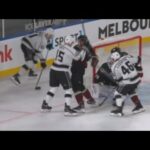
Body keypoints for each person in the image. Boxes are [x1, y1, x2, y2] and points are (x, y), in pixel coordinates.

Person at [41, 35, 86, 116]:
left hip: (53, 69)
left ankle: (44, 104)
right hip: (62, 71)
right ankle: (67, 109)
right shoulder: (71, 49)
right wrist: (82, 52)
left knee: (53, 88)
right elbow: (77, 58)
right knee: (68, 89)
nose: (73, 43)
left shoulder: (60, 46)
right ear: (71, 42)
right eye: (72, 42)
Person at [109, 48, 144, 116]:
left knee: (117, 93)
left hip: (129, 82)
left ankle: (119, 110)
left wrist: (120, 83)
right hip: (137, 79)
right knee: (131, 91)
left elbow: (117, 80)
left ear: (113, 58)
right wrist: (139, 70)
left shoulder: (114, 67)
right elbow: (138, 59)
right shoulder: (126, 57)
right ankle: (139, 106)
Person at [71, 35, 99, 113]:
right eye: (79, 40)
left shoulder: (87, 48)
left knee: (75, 87)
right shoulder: (78, 47)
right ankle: (90, 99)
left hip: (78, 70)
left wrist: (94, 60)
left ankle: (81, 105)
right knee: (80, 85)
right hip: (75, 69)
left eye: (81, 41)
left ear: (85, 41)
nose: (80, 42)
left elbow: (94, 58)